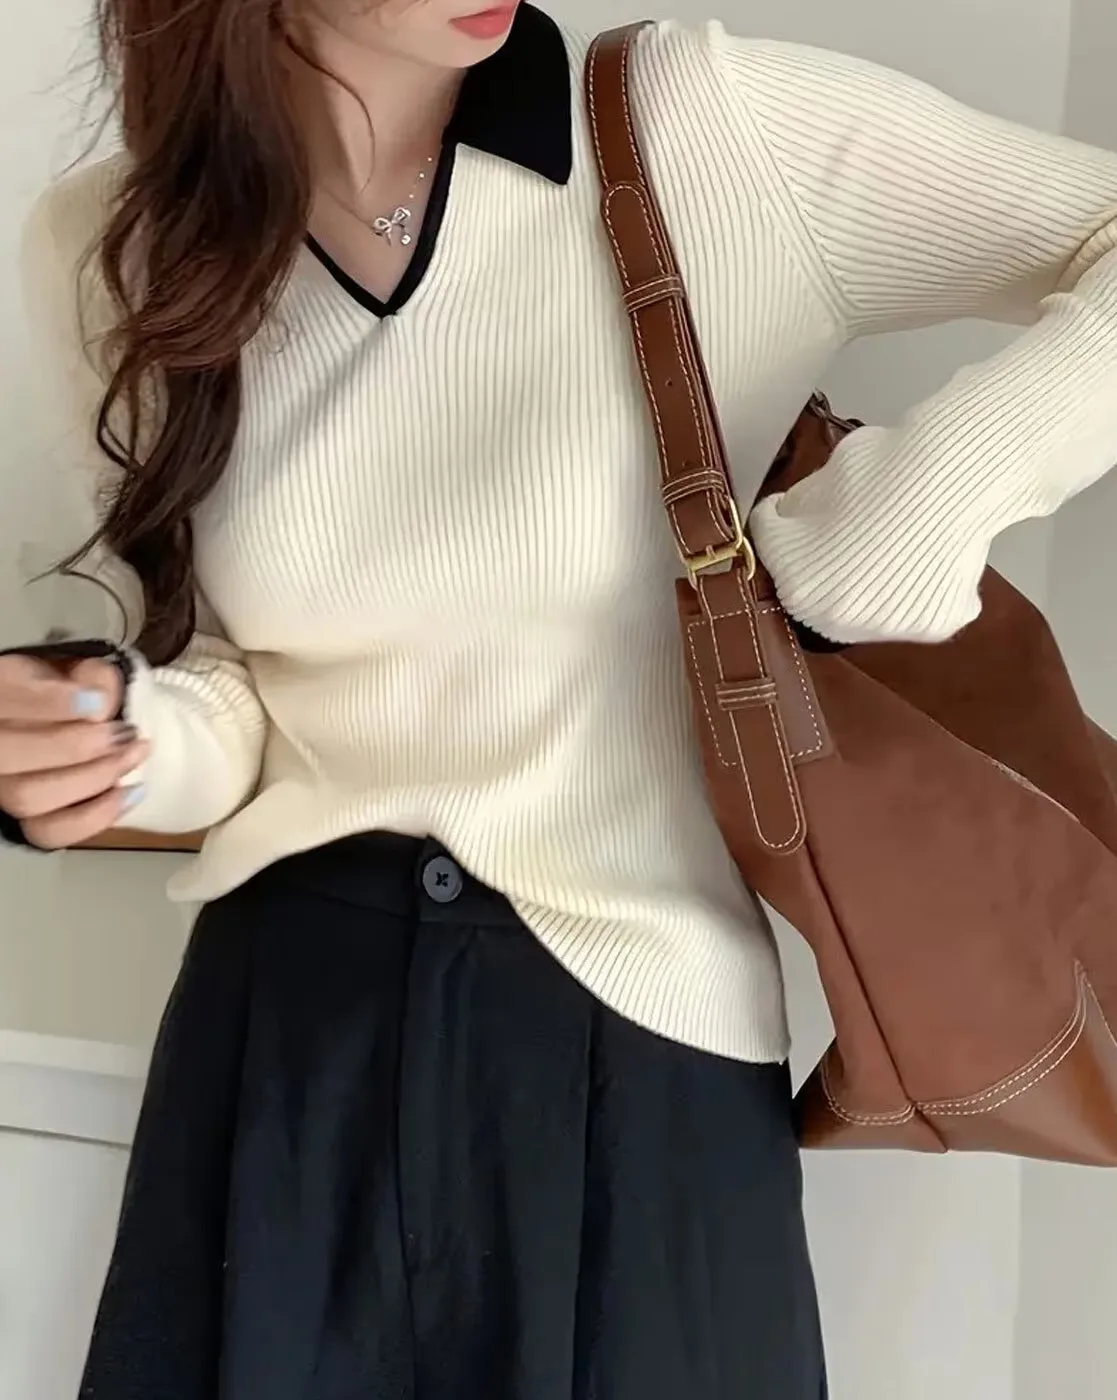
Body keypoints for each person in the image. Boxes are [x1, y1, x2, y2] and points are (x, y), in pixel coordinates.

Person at [3, 1, 1117, 1394]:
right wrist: (111, 740)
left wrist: (920, 504)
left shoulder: (699, 129)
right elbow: (233, 687)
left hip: (640, 1052)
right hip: (287, 1046)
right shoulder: (116, 247)